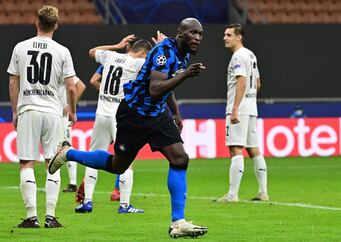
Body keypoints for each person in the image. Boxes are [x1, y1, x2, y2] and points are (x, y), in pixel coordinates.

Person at [49, 18, 208, 238]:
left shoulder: (183, 54)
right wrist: (185, 75)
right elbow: (155, 88)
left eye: (200, 34)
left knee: (180, 158)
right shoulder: (164, 52)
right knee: (117, 166)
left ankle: (177, 222)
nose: (198, 38)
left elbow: (167, 86)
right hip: (134, 114)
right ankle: (69, 153)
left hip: (156, 114)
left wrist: (176, 113)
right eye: (193, 33)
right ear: (180, 33)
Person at [8, 5, 77, 228]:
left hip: (28, 109)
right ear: (56, 25)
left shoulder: (20, 47)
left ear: (36, 21)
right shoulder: (62, 51)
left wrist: (15, 111)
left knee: (27, 163)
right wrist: (72, 110)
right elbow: (72, 87)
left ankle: (31, 217)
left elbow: (13, 81)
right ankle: (50, 216)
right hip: (53, 112)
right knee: (52, 163)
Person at [74, 36, 155, 214]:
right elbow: (157, 65)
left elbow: (92, 51)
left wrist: (116, 45)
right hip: (120, 117)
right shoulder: (136, 63)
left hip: (101, 114)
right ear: (143, 52)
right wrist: (158, 47)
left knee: (92, 158)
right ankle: (124, 205)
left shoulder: (110, 56)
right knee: (128, 159)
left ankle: (87, 202)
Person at [215, 23, 269, 203]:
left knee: (235, 148)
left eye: (229, 35)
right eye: (224, 34)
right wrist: (249, 101)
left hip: (239, 108)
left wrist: (236, 108)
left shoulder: (238, 56)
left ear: (239, 37)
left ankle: (232, 194)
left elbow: (242, 81)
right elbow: (258, 83)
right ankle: (263, 192)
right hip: (252, 107)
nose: (224, 38)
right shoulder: (251, 54)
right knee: (253, 149)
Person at [62, 76, 86, 192]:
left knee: (67, 148)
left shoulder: (60, 68)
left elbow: (81, 85)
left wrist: (71, 106)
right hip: (50, 116)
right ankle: (51, 180)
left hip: (61, 118)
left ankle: (72, 183)